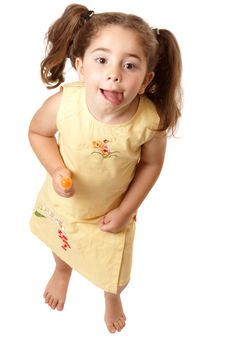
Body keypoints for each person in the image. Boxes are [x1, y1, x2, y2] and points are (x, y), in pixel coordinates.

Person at [28, 3, 182, 334]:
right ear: (81, 67)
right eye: (102, 60)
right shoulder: (63, 104)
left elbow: (152, 165)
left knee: (115, 268)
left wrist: (127, 209)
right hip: (67, 203)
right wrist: (56, 169)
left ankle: (111, 296)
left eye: (129, 65)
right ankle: (62, 270)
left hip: (112, 212)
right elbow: (38, 133)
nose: (114, 73)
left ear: (145, 80)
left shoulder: (148, 122)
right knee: (60, 242)